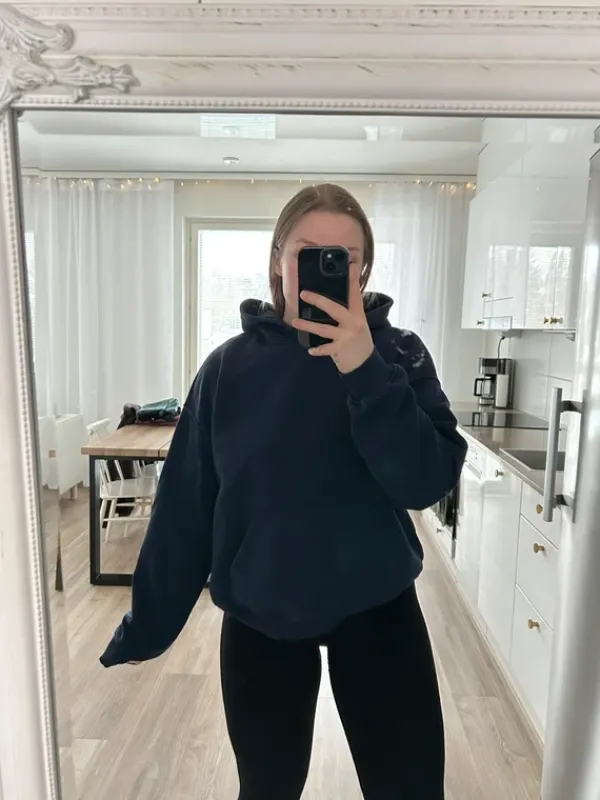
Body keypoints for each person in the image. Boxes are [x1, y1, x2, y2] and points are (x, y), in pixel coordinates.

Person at [100, 183, 467, 800]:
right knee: (266, 790)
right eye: (307, 252)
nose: (325, 267)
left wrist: (366, 371)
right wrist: (148, 625)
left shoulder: (398, 353)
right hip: (261, 615)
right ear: (278, 259)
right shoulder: (227, 369)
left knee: (409, 788)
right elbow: (186, 507)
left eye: (342, 257)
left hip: (379, 608)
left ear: (362, 268)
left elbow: (427, 481)